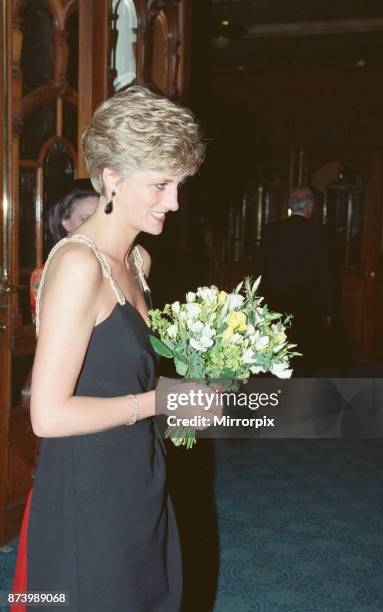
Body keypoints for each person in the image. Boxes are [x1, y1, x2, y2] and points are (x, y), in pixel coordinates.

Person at [12, 85, 219, 611]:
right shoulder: (77, 266)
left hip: (140, 466)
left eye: (180, 184)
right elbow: (47, 415)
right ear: (111, 179)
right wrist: (161, 401)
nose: (174, 202)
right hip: (90, 486)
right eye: (161, 185)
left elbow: (128, 370)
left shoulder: (138, 261)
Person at [256, 186, 335, 375]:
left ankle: (274, 398)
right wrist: (329, 310)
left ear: (290, 206)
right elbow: (326, 275)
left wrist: (256, 304)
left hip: (274, 305)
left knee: (274, 356)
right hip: (308, 308)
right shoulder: (320, 234)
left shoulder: (271, 231)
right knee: (304, 359)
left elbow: (260, 270)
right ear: (310, 207)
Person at [30, 187, 99, 321]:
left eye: (100, 219)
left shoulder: (117, 263)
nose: (96, 226)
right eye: (86, 219)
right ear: (65, 223)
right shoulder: (44, 274)